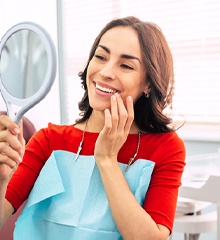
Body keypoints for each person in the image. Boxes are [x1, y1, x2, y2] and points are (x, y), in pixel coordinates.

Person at [0, 16, 185, 240]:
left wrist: (106, 158)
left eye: (126, 65)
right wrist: (2, 180)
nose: (106, 72)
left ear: (148, 84)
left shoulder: (166, 148)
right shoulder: (49, 140)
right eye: (100, 56)